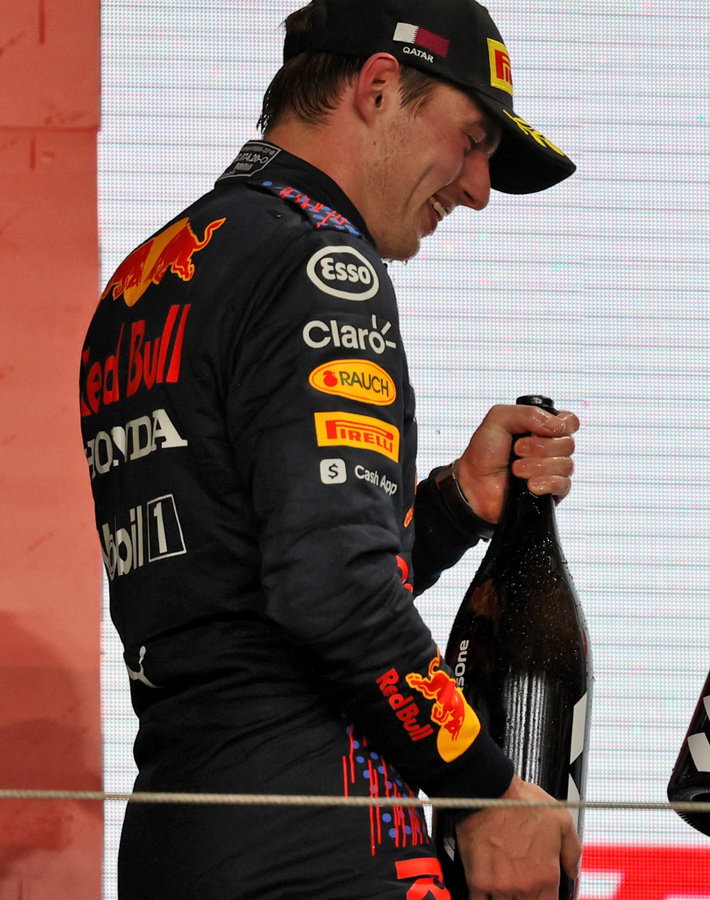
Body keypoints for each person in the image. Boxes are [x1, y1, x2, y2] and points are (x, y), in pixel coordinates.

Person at [80, 0, 583, 896]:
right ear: (379, 88)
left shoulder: (151, 275)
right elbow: (331, 590)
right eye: (470, 140)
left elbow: (253, 578)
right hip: (318, 838)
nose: (474, 187)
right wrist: (486, 792)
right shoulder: (323, 265)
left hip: (182, 835)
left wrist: (455, 504)